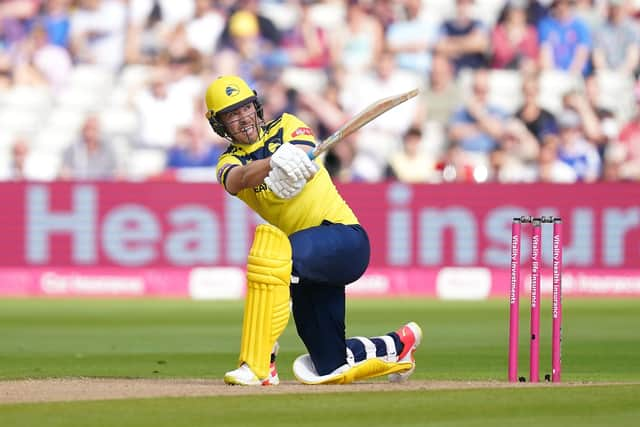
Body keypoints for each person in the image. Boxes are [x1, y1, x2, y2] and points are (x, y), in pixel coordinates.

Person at [205, 75, 422, 386]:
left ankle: (259, 362)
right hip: (307, 262)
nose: (242, 119)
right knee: (330, 365)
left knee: (272, 255)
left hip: (343, 240)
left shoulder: (287, 125)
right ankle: (397, 347)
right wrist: (271, 164)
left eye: (244, 109)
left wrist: (289, 160)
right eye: (231, 115)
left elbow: (303, 152)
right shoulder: (228, 161)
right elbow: (237, 179)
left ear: (255, 107)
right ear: (220, 125)